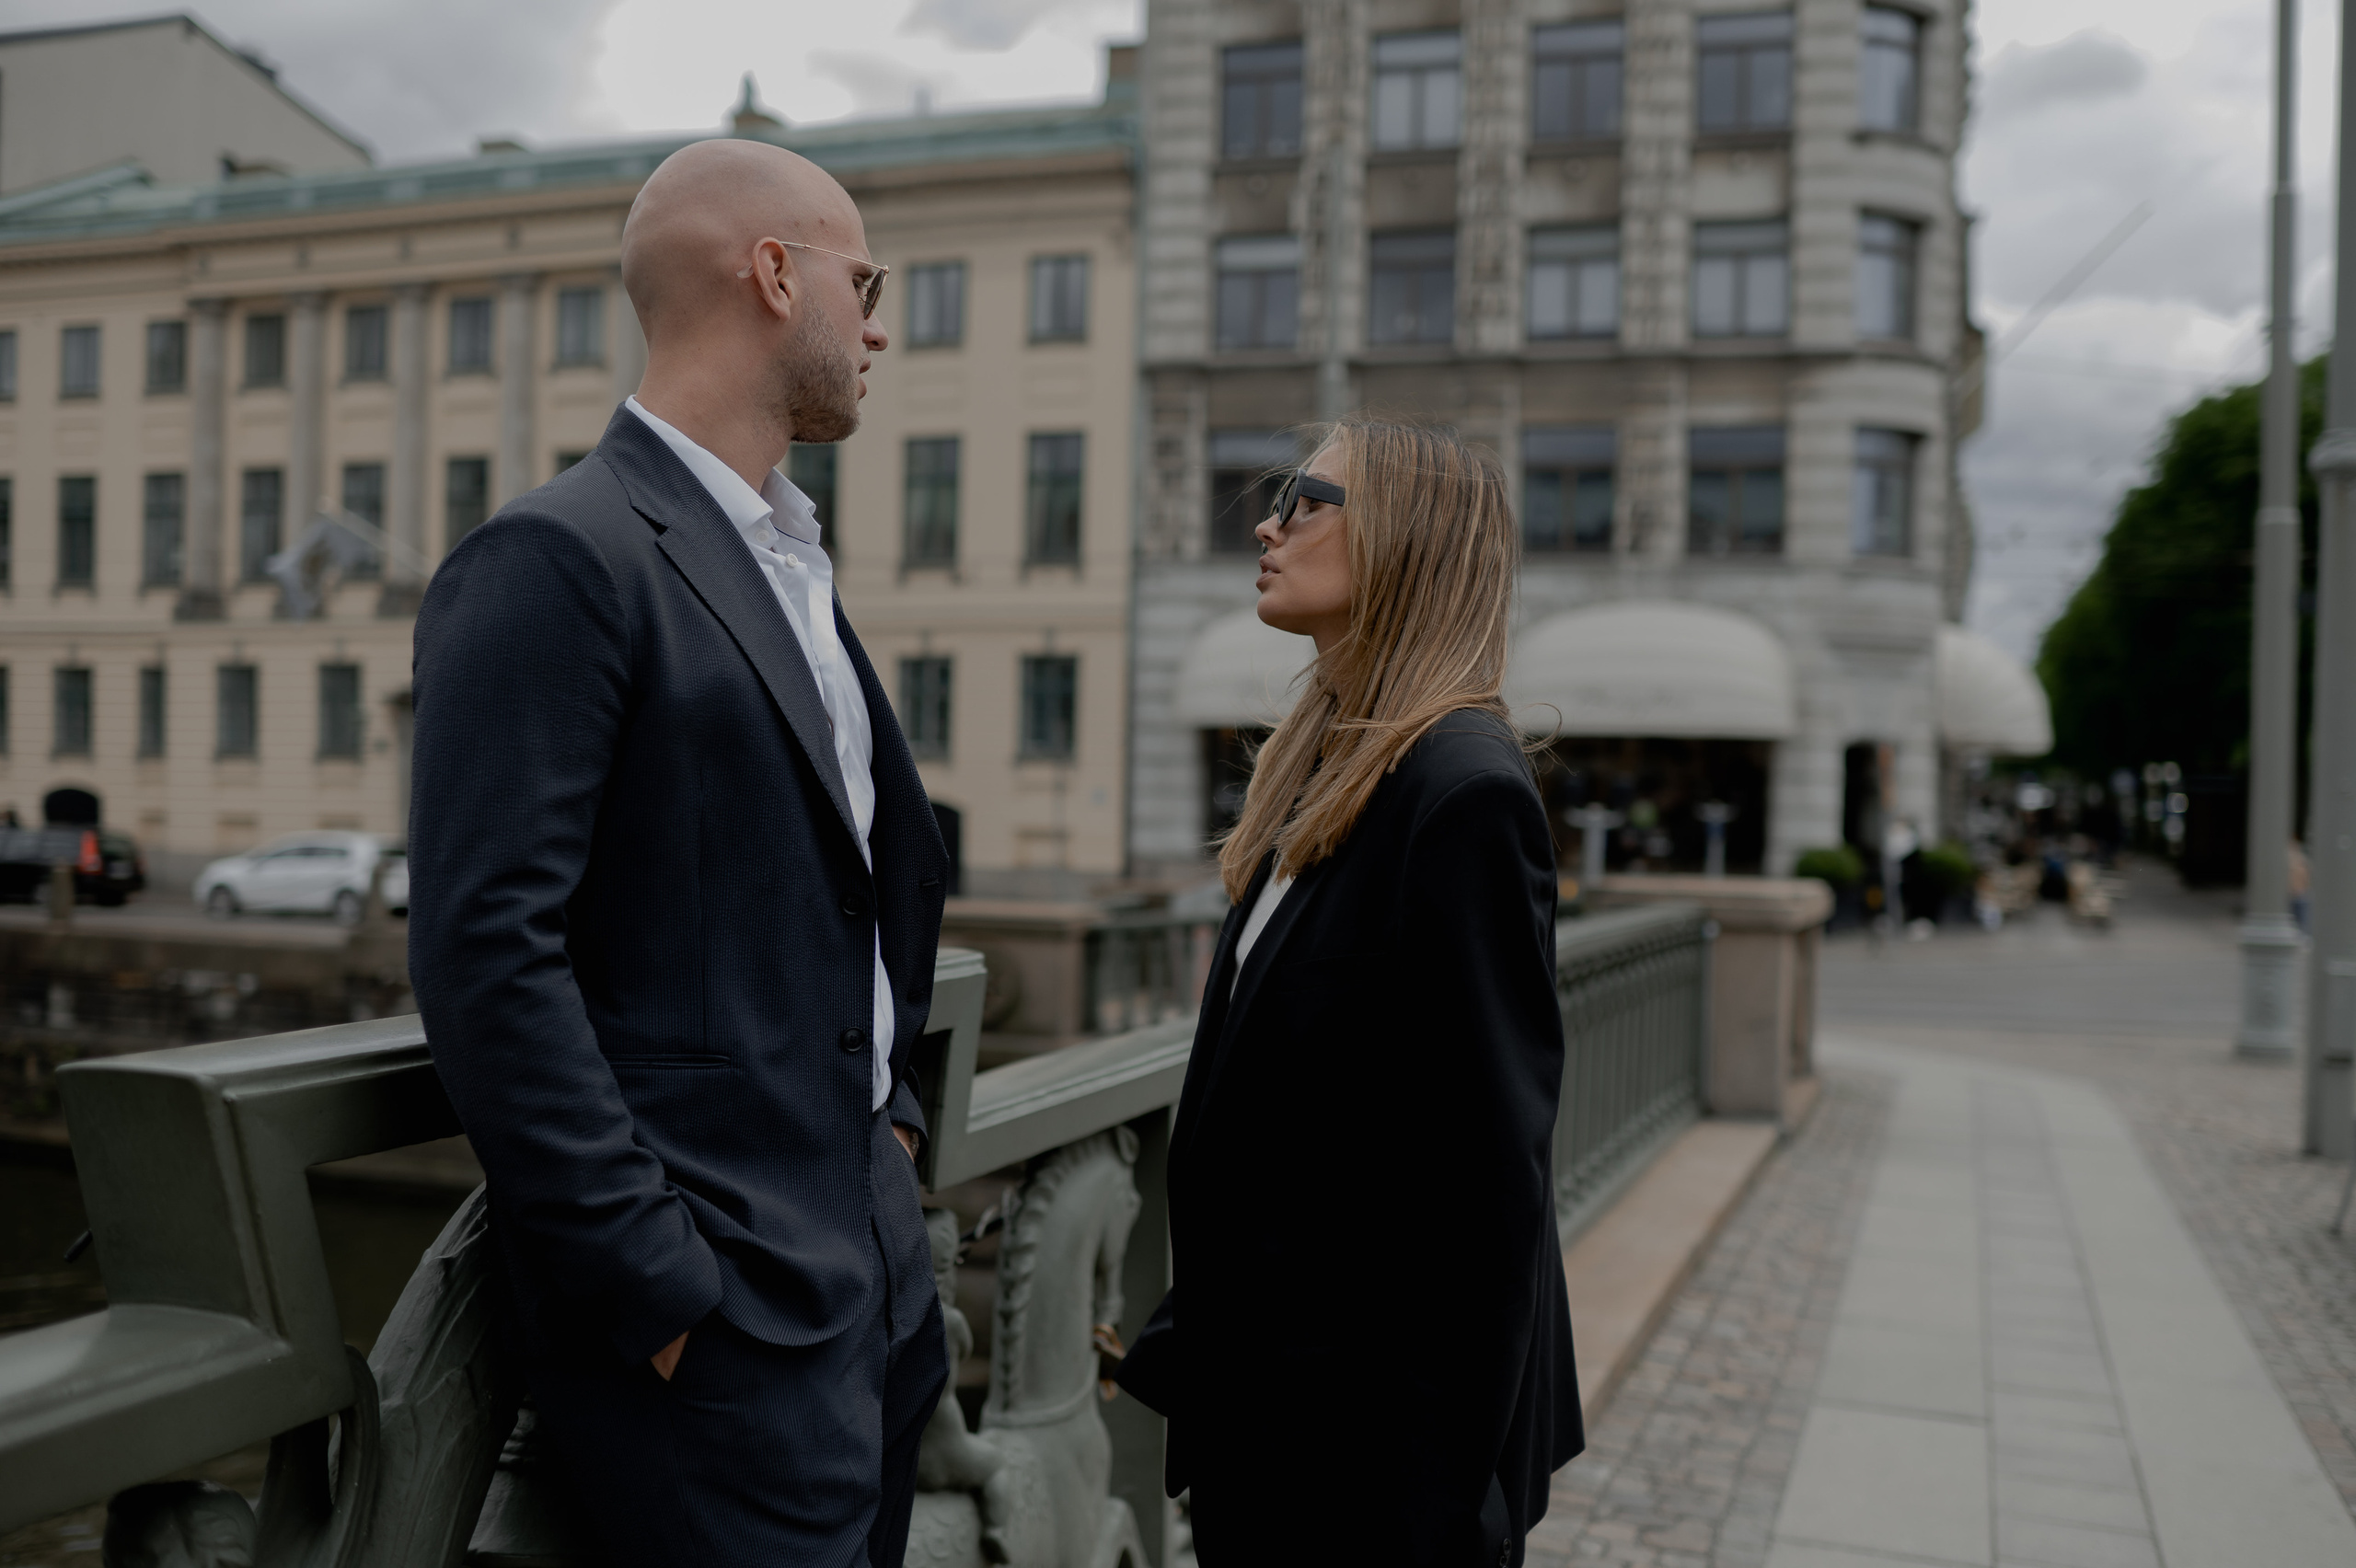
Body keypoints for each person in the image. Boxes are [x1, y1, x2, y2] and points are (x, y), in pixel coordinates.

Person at [407, 139, 949, 1567]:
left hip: (872, 1289)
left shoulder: (788, 561)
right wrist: (651, 1290)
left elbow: (855, 890)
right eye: (865, 281)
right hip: (721, 1336)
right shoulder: (560, 557)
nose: (879, 322)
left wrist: (894, 1143)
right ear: (775, 275)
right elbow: (484, 952)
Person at [1114, 417, 1583, 1563]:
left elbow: (1483, 1196)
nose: (1267, 524)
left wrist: (1426, 1514)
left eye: (1306, 498)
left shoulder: (1461, 793)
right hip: (1281, 1422)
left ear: (1407, 540)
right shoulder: (1332, 767)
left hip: (1368, 1472)